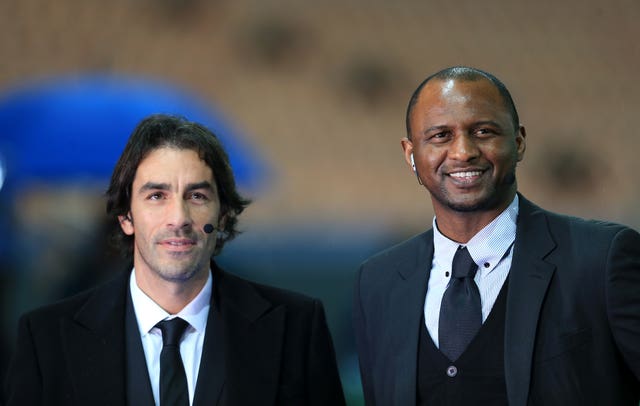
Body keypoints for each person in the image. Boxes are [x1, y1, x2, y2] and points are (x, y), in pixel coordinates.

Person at [4, 114, 346, 406]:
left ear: (224, 214)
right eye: (156, 195)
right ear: (125, 216)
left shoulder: (295, 328)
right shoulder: (47, 338)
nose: (178, 217)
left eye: (196, 196)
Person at [353, 66, 640, 405]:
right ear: (410, 154)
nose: (463, 152)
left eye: (484, 131)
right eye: (440, 136)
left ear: (518, 142)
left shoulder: (601, 259)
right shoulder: (377, 282)